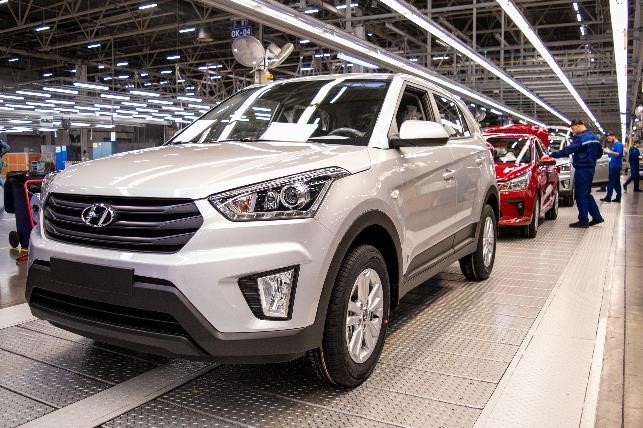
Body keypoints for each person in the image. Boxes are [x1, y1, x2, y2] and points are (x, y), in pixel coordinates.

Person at [550, 119, 604, 228]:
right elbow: (599, 153)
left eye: (573, 128)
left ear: (578, 125)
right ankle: (597, 217)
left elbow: (567, 150)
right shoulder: (595, 138)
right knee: (586, 193)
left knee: (580, 195)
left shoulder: (580, 138)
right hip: (590, 168)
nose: (573, 131)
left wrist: (551, 155)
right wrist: (590, 158)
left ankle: (583, 221)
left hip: (582, 169)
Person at [600, 133, 623, 202]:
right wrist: (607, 153)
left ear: (613, 136)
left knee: (611, 182)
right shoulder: (614, 145)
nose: (609, 140)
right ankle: (618, 197)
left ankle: (608, 197)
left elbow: (618, 154)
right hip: (612, 165)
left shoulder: (619, 144)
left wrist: (610, 151)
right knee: (616, 182)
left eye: (609, 138)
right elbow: (611, 155)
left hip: (615, 166)